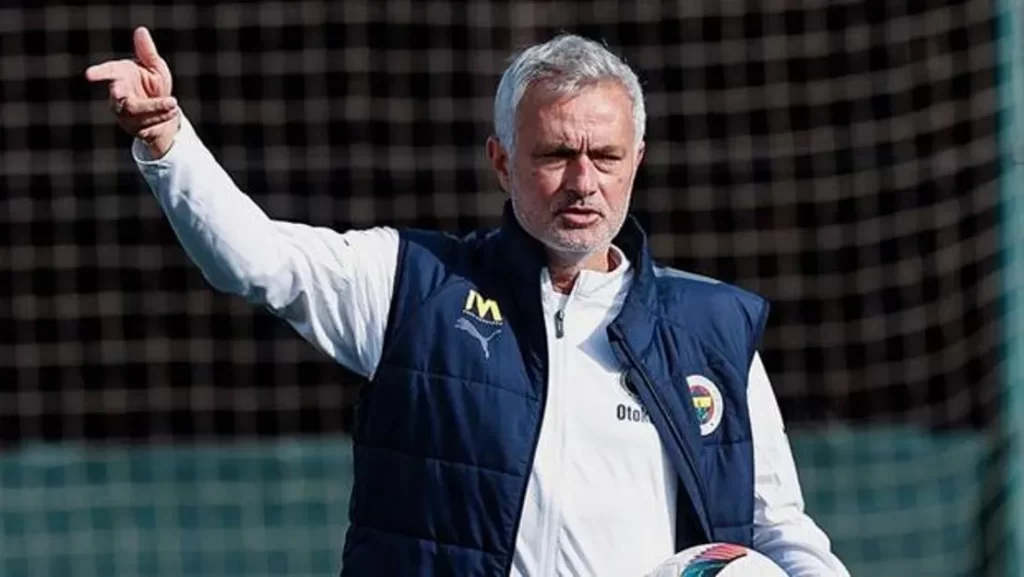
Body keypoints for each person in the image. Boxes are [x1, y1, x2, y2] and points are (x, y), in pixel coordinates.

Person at [86, 26, 851, 577]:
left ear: (637, 161)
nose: (583, 181)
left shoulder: (713, 330)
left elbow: (779, 529)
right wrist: (168, 141)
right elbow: (258, 261)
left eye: (606, 156)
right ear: (502, 162)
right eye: (556, 154)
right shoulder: (413, 284)